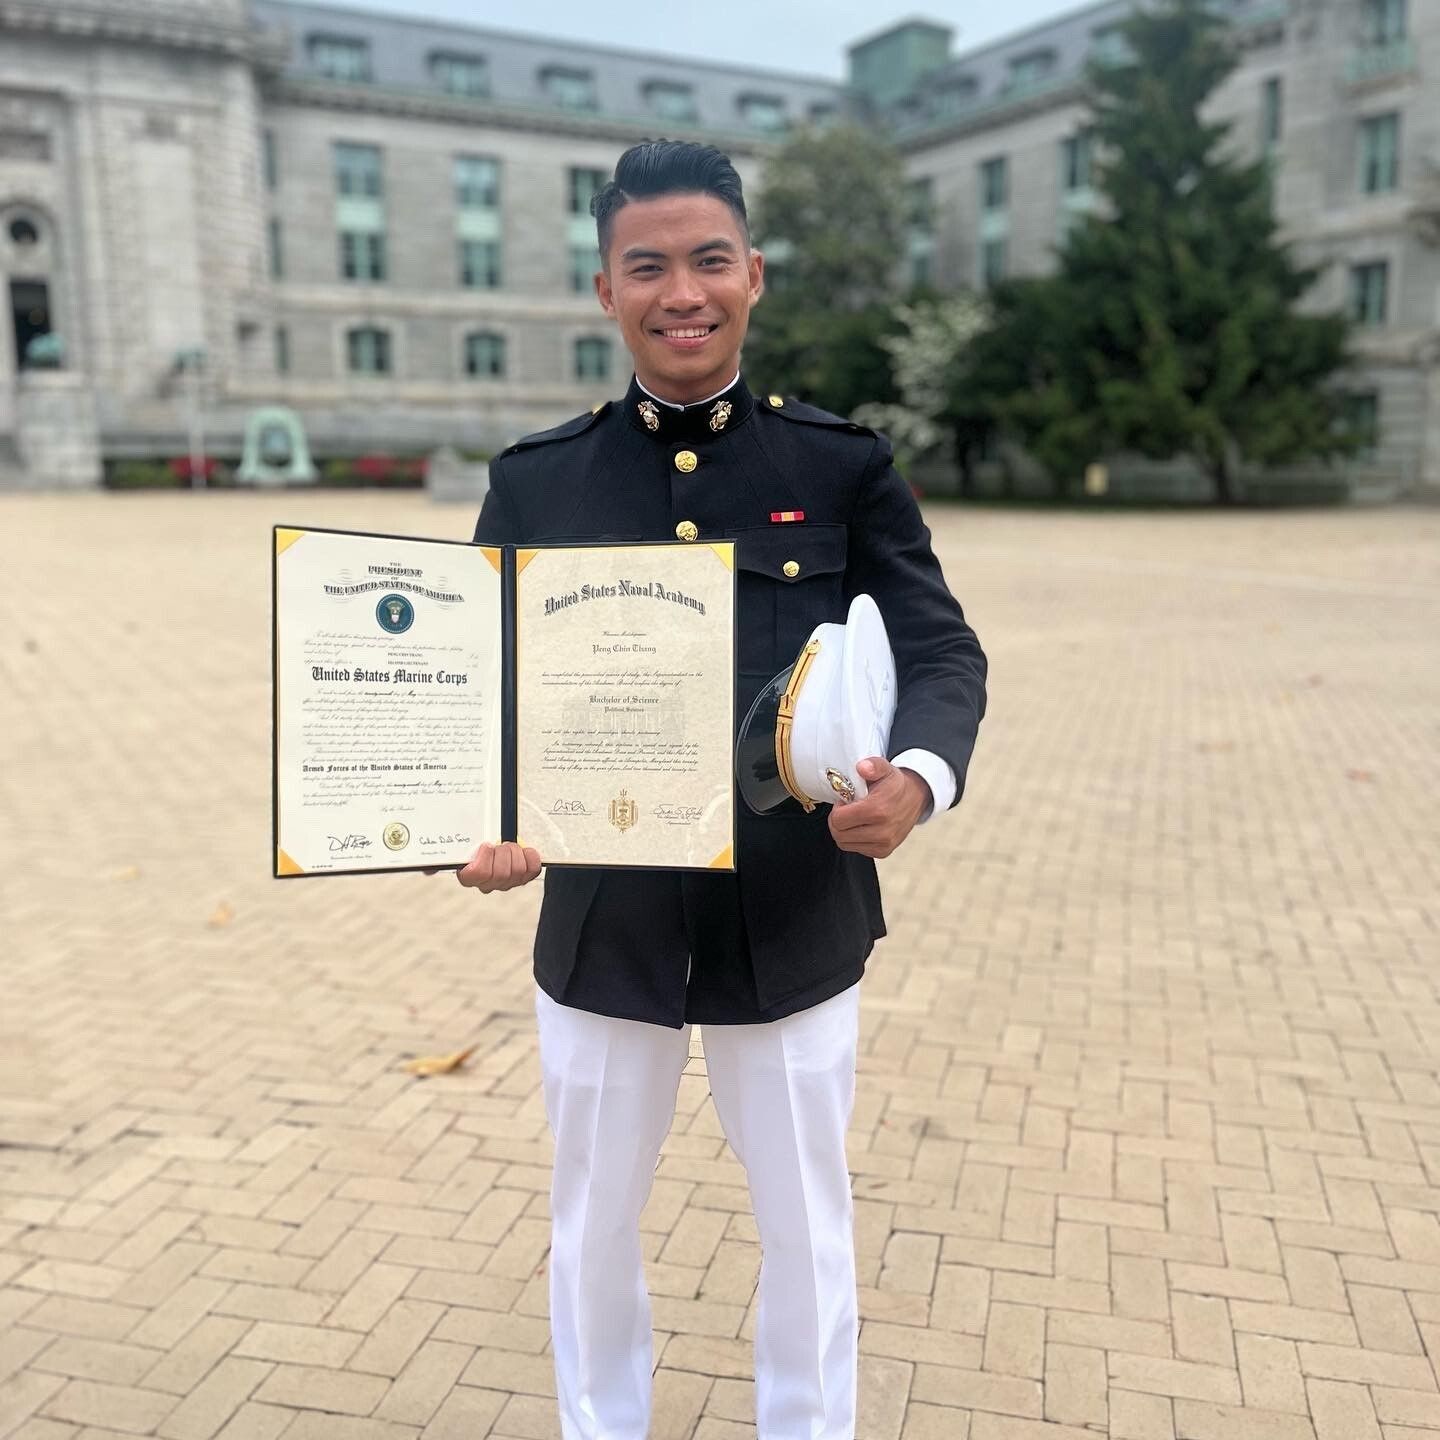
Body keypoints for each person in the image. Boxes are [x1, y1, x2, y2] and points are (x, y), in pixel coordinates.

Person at [460, 139, 987, 1440]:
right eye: (648, 267)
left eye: (709, 261)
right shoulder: (538, 481)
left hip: (796, 914)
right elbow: (474, 681)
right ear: (605, 290)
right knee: (590, 1224)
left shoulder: (839, 468)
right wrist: (474, 809)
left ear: (753, 276)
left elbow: (939, 651)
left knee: (808, 1228)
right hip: (605, 923)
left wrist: (915, 782)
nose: (680, 292)